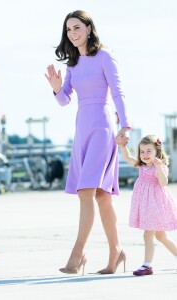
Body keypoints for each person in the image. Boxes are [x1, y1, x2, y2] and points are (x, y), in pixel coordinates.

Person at [45, 10, 130, 275]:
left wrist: (126, 125)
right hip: (82, 126)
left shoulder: (104, 55)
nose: (72, 33)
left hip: (103, 127)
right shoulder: (72, 63)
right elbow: (64, 100)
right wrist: (57, 87)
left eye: (77, 27)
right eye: (69, 29)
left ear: (89, 28)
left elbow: (117, 91)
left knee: (86, 192)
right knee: (102, 196)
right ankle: (116, 252)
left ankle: (77, 253)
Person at [116, 134, 177, 276]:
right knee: (161, 236)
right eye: (142, 151)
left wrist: (159, 167)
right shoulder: (142, 166)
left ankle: (147, 265)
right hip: (146, 205)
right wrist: (123, 147)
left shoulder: (159, 167)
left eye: (149, 151)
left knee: (148, 234)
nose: (145, 154)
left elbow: (163, 182)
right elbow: (128, 158)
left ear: (157, 151)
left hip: (156, 205)